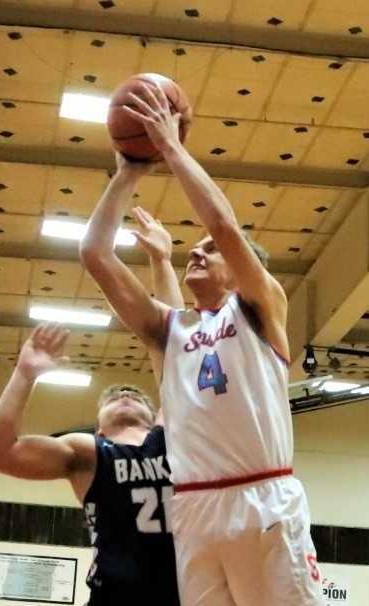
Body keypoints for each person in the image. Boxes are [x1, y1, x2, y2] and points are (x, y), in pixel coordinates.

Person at [79, 83, 323, 606]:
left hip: (262, 498)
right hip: (194, 510)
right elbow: (94, 254)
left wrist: (170, 147)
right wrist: (128, 173)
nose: (197, 252)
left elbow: (223, 225)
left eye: (210, 251)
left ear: (239, 269)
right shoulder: (169, 330)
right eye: (194, 248)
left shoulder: (259, 307)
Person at [0, 216, 184, 606]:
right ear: (99, 428)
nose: (125, 395)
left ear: (153, 414)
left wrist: (161, 261)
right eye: (113, 398)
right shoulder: (88, 451)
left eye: (135, 395)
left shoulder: (171, 435)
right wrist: (24, 374)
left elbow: (174, 345)